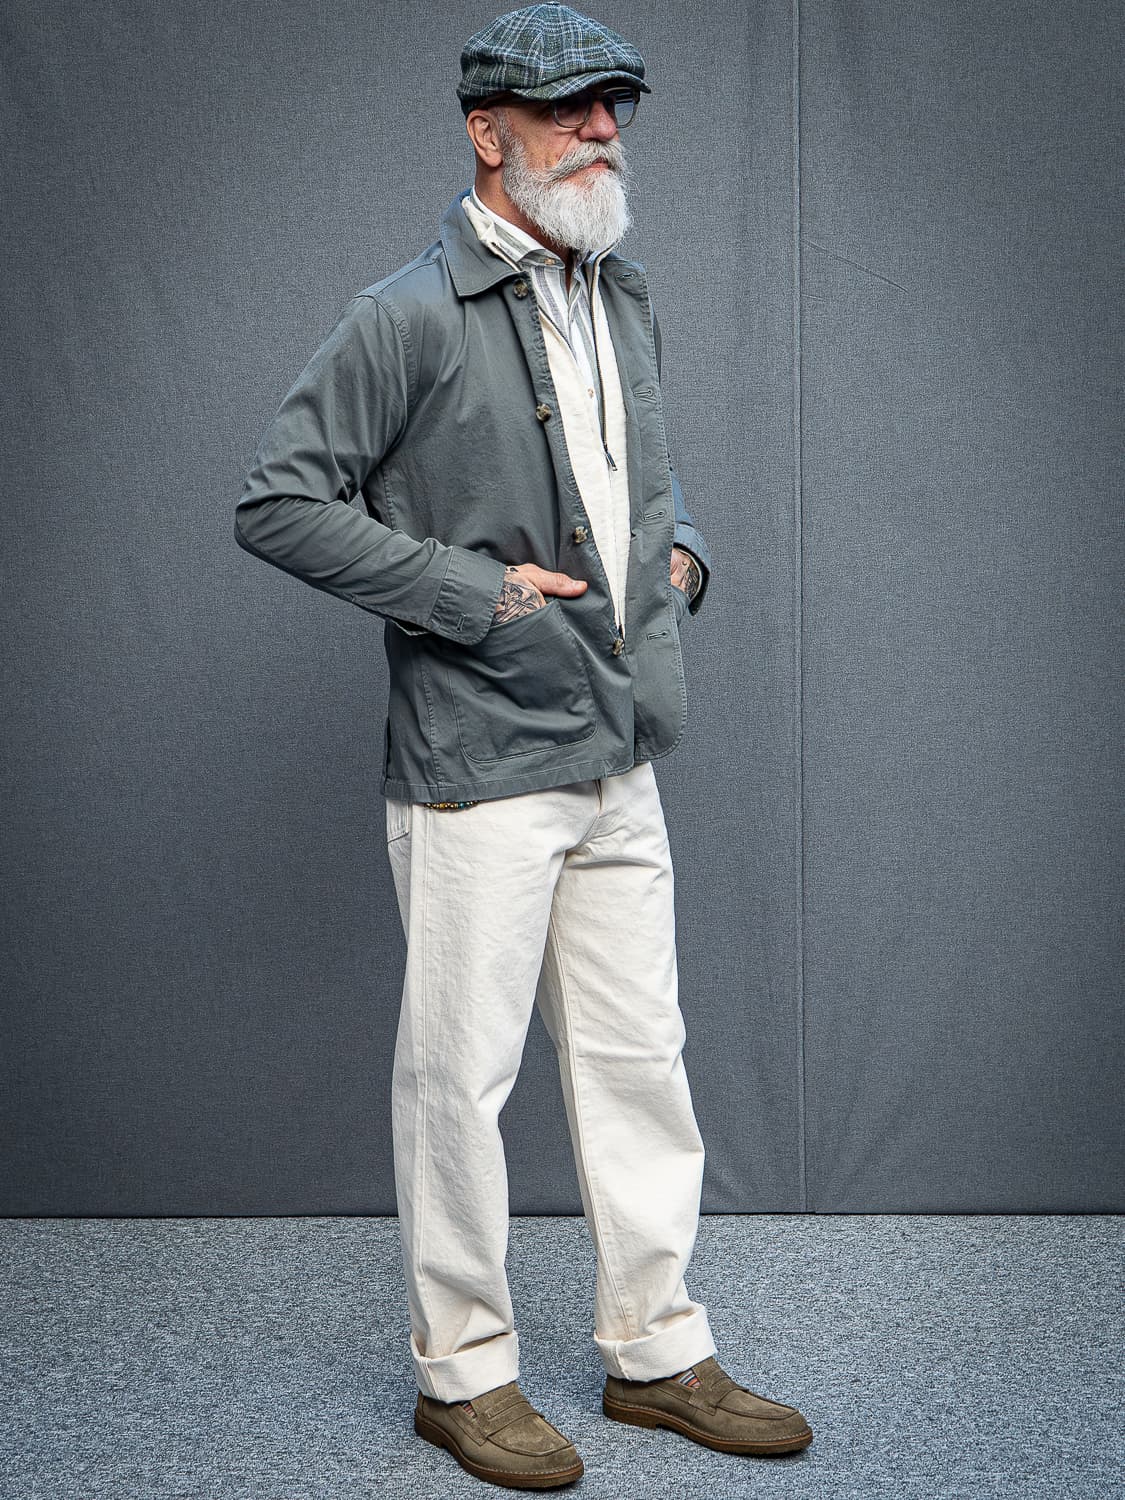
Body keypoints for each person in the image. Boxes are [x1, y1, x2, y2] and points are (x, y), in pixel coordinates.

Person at [235, 3, 812, 1488]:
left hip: (618, 745)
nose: (603, 130)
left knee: (641, 1062)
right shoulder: (406, 315)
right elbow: (279, 503)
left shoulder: (618, 291)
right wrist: (471, 594)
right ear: (486, 132)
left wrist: (681, 554)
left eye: (614, 105)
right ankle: (465, 1378)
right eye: (569, 110)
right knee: (458, 1080)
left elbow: (640, 478)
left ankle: (656, 1352)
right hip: (477, 757)